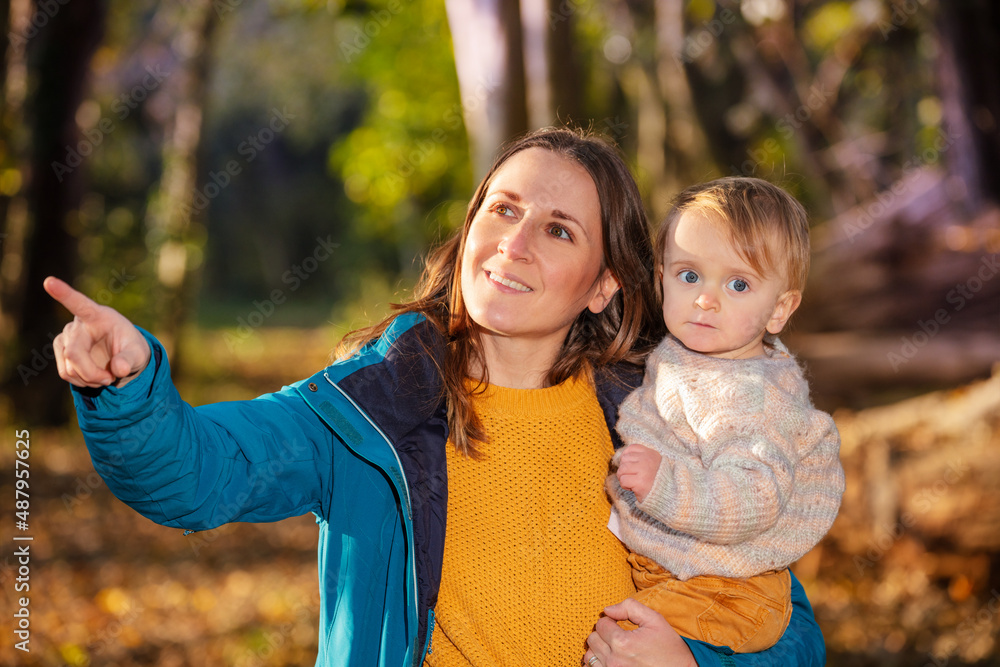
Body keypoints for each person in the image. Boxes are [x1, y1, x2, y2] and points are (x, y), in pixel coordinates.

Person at [45, 128, 827, 666]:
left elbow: (788, 631)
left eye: (559, 230)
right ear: (471, 229)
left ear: (604, 285)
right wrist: (130, 384)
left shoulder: (664, 422)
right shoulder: (367, 410)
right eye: (505, 210)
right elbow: (195, 474)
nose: (516, 243)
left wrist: (690, 658)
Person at [606, 177, 845, 653]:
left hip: (729, 590)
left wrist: (663, 483)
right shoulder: (693, 353)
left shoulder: (748, 395)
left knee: (619, 643)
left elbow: (755, 497)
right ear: (661, 277)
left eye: (738, 284)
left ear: (779, 310)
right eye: (689, 275)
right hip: (694, 568)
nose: (705, 298)